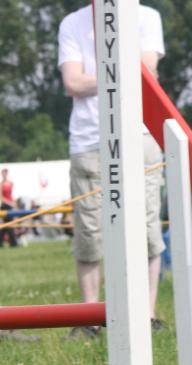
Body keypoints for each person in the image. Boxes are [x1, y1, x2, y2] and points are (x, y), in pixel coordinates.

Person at [58, 2, 166, 336]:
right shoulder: (71, 23)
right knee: (89, 231)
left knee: (147, 226)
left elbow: (146, 71)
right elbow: (72, 83)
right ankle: (90, 318)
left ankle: (147, 316)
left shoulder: (147, 17)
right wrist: (124, 72)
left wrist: (101, 76)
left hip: (141, 134)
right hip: (89, 140)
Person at [0, 168, 17, 248]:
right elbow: (0, 197)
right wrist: (10, 203)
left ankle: (0, 243)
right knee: (6, 225)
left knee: (7, 225)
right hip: (4, 206)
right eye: (3, 173)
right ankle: (12, 243)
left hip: (10, 206)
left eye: (5, 173)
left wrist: (14, 203)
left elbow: (11, 195)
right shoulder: (1, 184)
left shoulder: (11, 183)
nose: (4, 174)